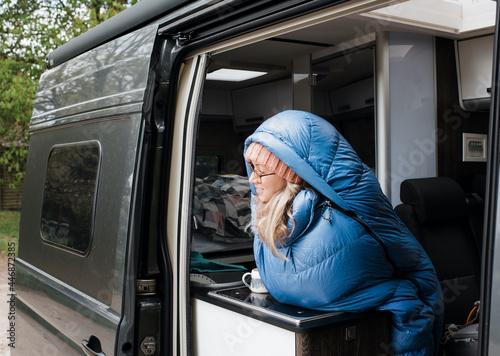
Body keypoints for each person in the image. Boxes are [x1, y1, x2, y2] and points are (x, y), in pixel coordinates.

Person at [243, 110, 443, 356]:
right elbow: (412, 273)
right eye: (251, 167)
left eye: (261, 170)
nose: (252, 179)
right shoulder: (266, 223)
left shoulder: (341, 219)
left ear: (290, 173)